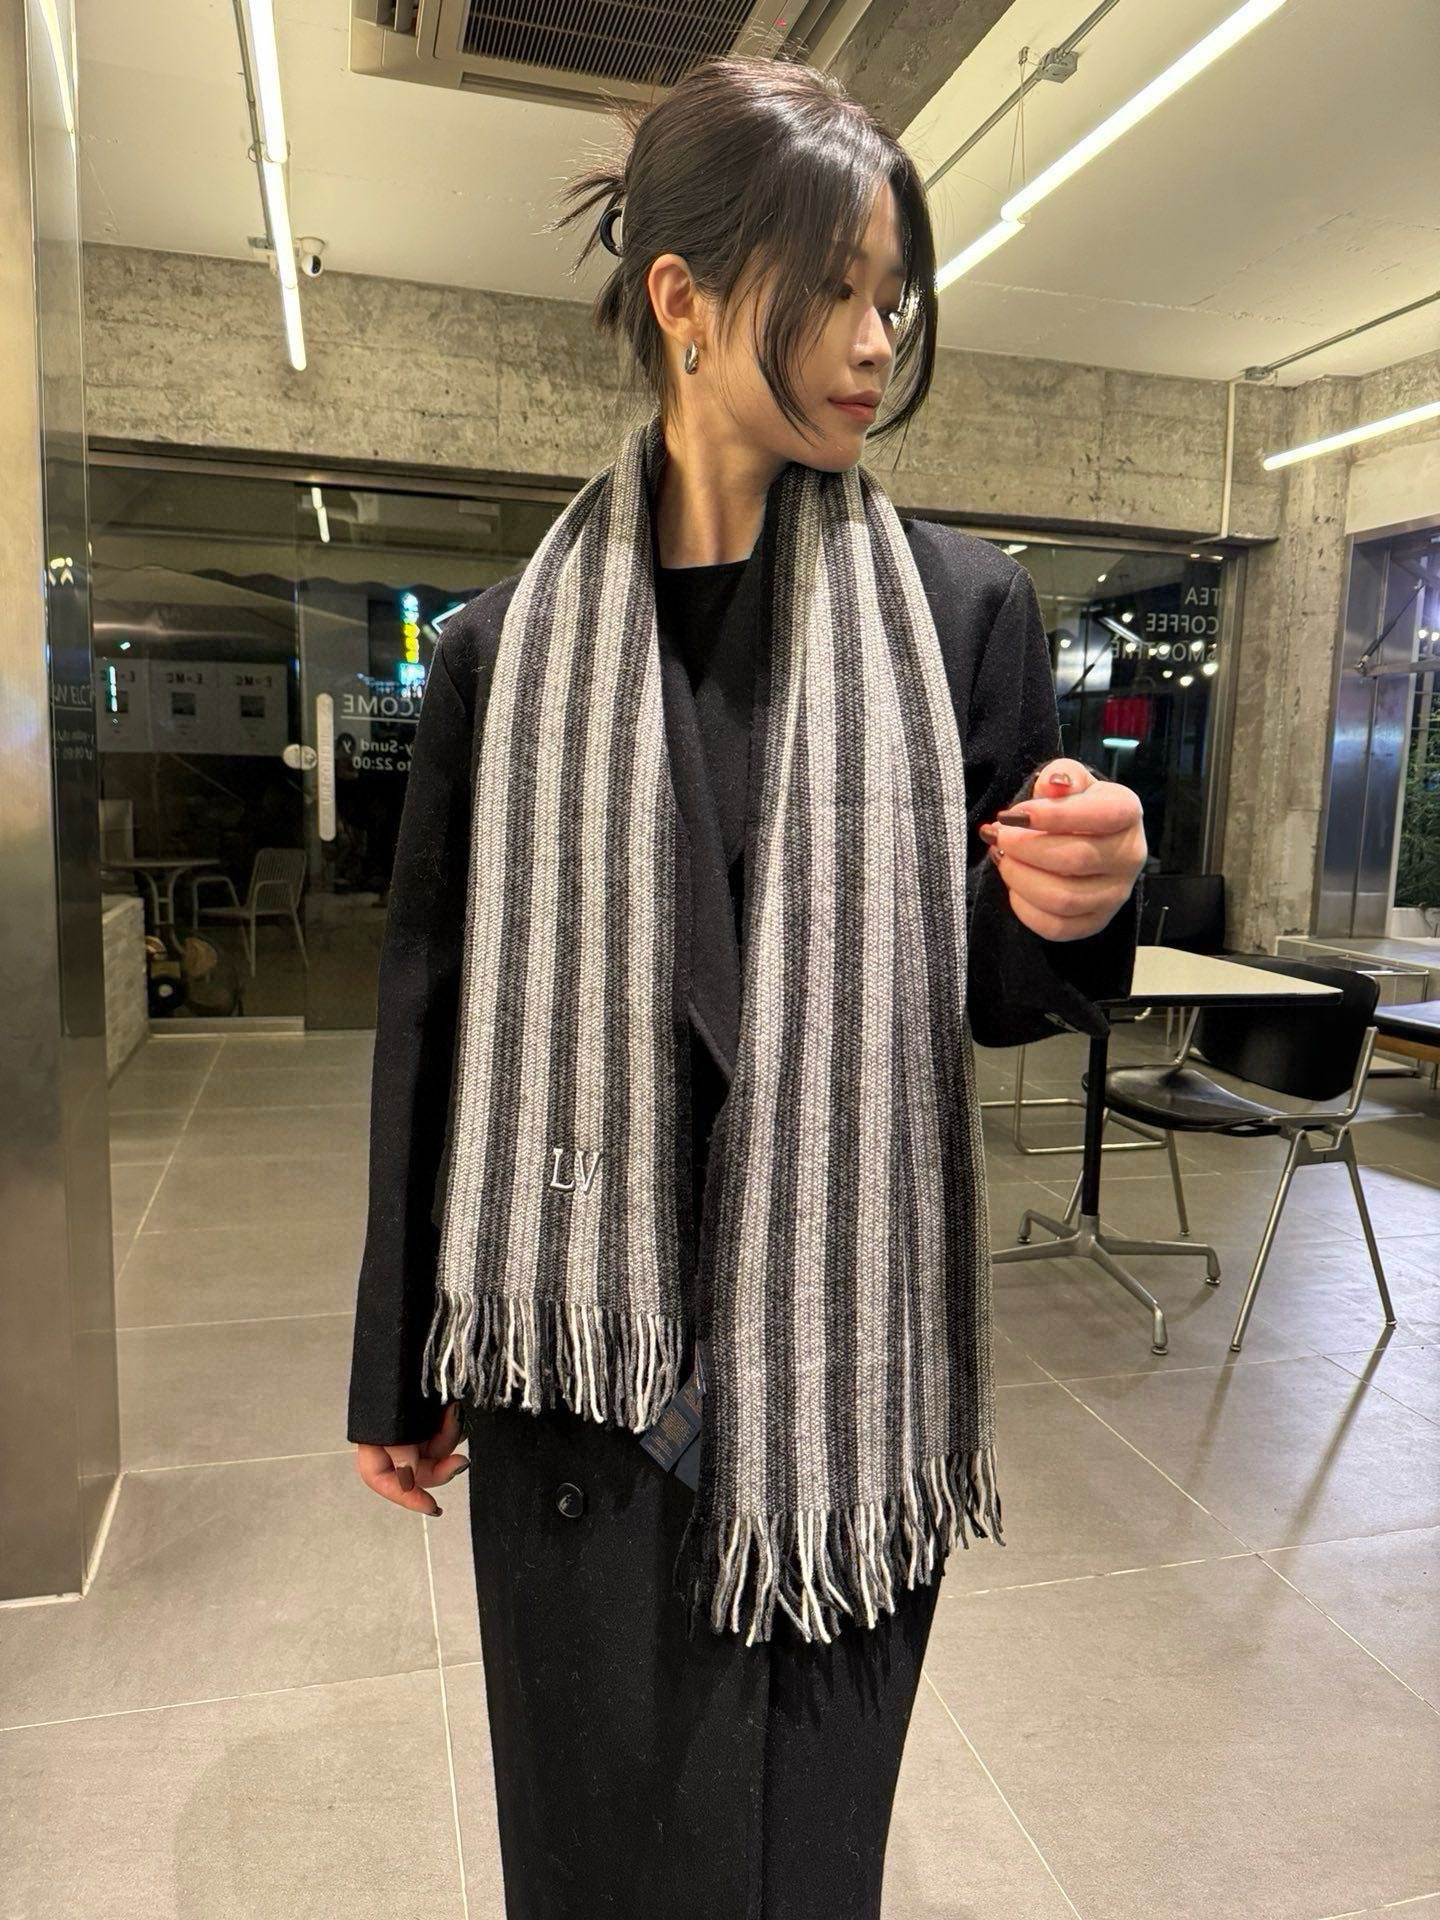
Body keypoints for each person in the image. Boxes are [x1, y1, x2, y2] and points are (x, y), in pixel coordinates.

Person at [346, 52, 1145, 1920]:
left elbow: (998, 995)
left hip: (834, 1381)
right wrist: (397, 1352)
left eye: (894, 297)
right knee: (590, 1855)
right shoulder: (502, 654)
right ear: (684, 298)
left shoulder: (959, 616)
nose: (876, 343)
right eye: (833, 291)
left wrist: (1077, 900)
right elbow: (432, 999)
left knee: (799, 1862)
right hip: (581, 1367)